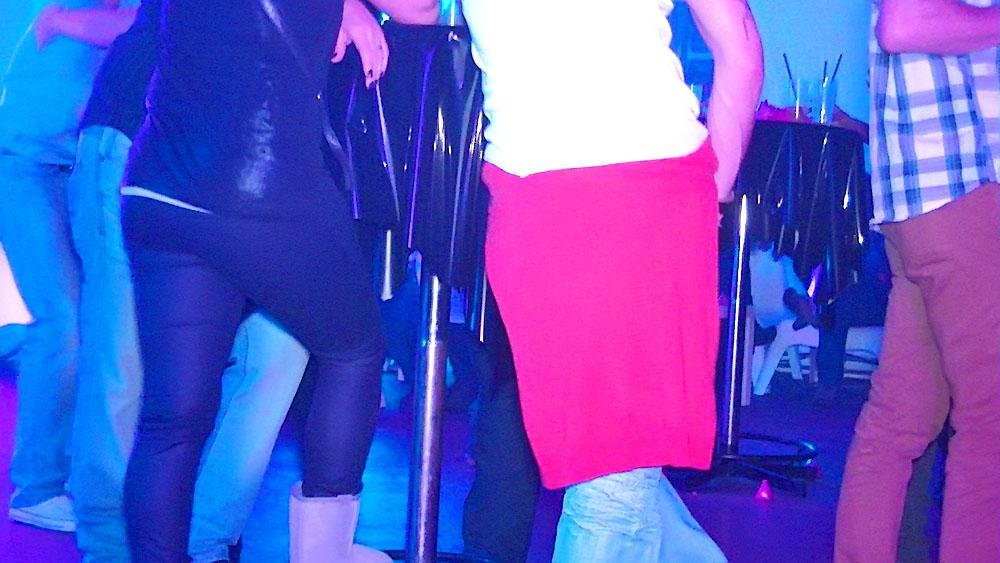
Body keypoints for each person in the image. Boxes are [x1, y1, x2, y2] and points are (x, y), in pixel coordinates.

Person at [118, 0, 437, 561]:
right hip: (262, 186)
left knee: (173, 417)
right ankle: (324, 553)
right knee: (354, 350)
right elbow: (419, 9)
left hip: (160, 183)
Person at [462, 0, 763, 560]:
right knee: (616, 477)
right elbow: (739, 48)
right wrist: (713, 190)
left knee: (615, 465)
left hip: (529, 199)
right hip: (638, 191)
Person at [835, 1, 1000, 562]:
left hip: (922, 199)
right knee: (990, 420)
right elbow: (902, 25)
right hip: (961, 188)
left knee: (898, 421)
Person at [0, 0, 138, 533]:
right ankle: (36, 486)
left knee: (98, 324)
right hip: (23, 167)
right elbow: (124, 27)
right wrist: (64, 21)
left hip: (81, 170)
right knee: (60, 321)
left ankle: (88, 477)